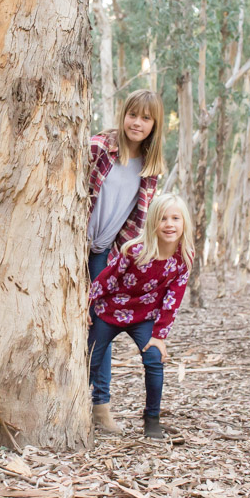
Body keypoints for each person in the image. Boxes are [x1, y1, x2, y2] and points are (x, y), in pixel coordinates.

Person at [87, 89, 166, 434]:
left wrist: (177, 248)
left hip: (104, 253)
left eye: (146, 118)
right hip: (67, 245)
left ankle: (99, 407)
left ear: (154, 125)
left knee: (99, 326)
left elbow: (143, 222)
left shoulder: (149, 168)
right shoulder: (99, 147)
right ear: (123, 115)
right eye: (133, 114)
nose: (137, 123)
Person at [88, 193, 194, 438]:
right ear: (152, 223)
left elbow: (173, 299)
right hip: (110, 311)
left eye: (175, 218)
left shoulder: (183, 258)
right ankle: (78, 410)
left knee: (154, 360)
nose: (169, 224)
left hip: (144, 317)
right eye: (163, 218)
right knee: (90, 361)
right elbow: (108, 278)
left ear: (184, 222)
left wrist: (159, 335)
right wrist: (89, 303)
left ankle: (152, 419)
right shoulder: (135, 250)